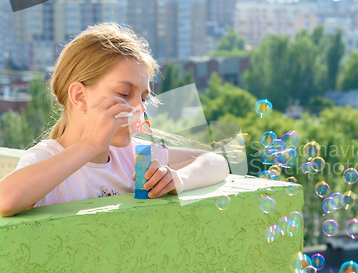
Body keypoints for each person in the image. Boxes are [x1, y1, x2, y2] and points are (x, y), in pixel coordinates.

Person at [0, 22, 229, 217]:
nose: (139, 108)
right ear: (80, 96)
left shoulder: (134, 156)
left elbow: (216, 162)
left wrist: (178, 179)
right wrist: (90, 145)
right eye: (123, 94)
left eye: (143, 98)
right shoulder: (47, 159)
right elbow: (6, 200)